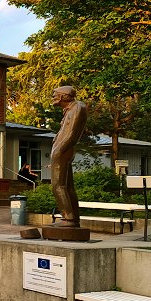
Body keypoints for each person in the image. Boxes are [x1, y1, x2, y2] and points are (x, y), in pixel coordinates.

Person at [51, 85, 87, 227]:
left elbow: (72, 133)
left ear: (62, 96)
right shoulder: (70, 110)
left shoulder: (77, 107)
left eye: (55, 94)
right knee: (68, 186)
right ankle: (73, 218)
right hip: (62, 148)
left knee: (57, 185)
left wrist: (59, 149)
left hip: (63, 150)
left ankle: (69, 218)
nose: (53, 97)